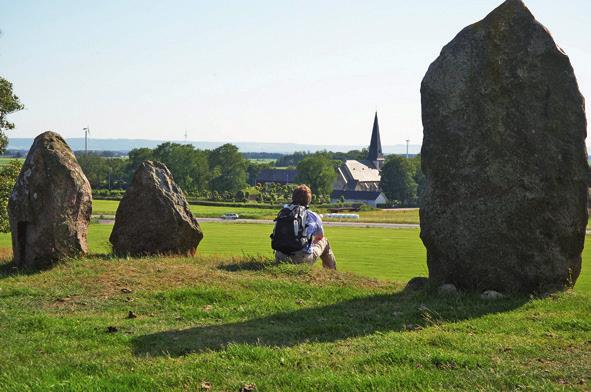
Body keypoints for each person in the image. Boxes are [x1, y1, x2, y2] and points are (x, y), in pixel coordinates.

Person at [271, 184, 336, 269]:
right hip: (302, 259)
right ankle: (331, 273)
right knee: (324, 241)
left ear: (293, 198)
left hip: (280, 257)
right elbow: (319, 237)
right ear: (309, 200)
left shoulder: (283, 212)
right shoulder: (313, 216)